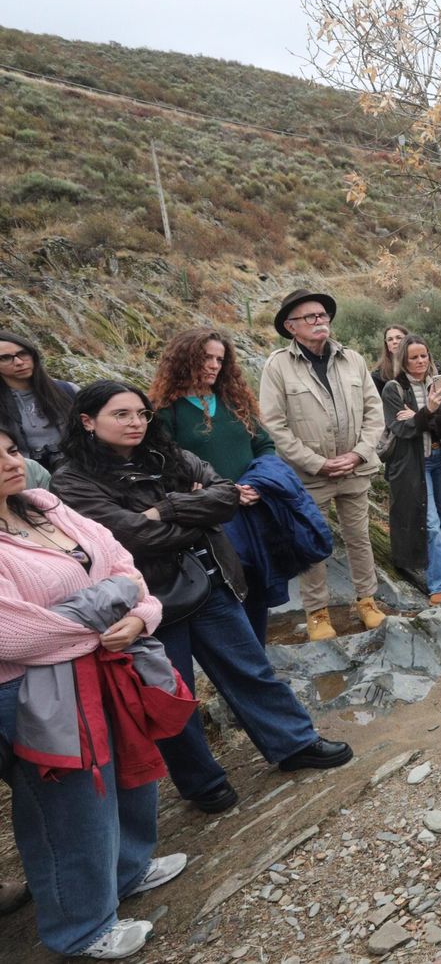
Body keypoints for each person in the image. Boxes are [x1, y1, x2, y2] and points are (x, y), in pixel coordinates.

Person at [52, 382, 354, 817]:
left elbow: (225, 495)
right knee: (172, 696)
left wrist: (168, 509)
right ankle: (202, 782)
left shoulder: (164, 453)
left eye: (140, 413)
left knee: (251, 670)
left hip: (210, 582)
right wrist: (196, 513)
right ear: (87, 421)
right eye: (121, 415)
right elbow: (130, 535)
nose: (135, 422)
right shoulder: (73, 481)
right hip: (147, 601)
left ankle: (295, 744)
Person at [0, 423, 191, 959]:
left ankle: (127, 870)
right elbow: (14, 633)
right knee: (67, 803)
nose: (13, 462)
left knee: (130, 769)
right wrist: (111, 606)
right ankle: (80, 928)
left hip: (107, 660)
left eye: (12, 450)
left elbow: (126, 569)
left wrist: (139, 615)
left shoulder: (44, 505)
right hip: (32, 689)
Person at [258, 289, 388, 640]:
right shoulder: (277, 366)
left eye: (323, 316)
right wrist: (317, 463)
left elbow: (375, 414)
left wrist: (358, 454)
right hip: (309, 476)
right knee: (312, 542)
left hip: (355, 469)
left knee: (359, 538)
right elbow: (273, 425)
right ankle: (317, 613)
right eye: (310, 317)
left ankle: (367, 601)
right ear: (291, 326)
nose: (319, 322)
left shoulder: (353, 360)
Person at [150, 327, 283, 644]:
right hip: (212, 521)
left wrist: (255, 483)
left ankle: (259, 657)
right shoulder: (166, 412)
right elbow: (164, 466)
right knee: (229, 593)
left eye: (219, 359)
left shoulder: (234, 401)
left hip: (252, 509)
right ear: (185, 360)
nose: (213, 365)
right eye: (206, 357)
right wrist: (209, 495)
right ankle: (241, 659)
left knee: (257, 588)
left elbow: (264, 446)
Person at [383, 335, 441, 603]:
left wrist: (422, 415)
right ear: (404, 360)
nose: (421, 361)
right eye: (414, 357)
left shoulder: (439, 384)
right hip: (414, 465)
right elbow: (401, 429)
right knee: (431, 523)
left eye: (424, 355)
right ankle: (437, 585)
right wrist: (428, 413)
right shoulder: (393, 389)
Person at [0, 331, 78, 472]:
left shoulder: (68, 391)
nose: (19, 362)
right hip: (25, 479)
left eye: (23, 353)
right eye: (5, 358)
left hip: (82, 472)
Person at [371, 324, 411, 393]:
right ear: (387, 345)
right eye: (390, 339)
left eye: (399, 338)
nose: (394, 342)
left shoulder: (421, 365)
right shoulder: (378, 376)